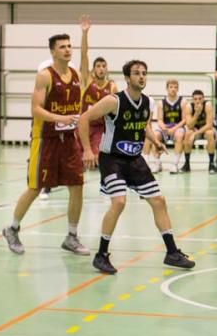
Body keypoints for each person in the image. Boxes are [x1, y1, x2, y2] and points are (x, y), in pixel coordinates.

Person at [78, 60, 194, 274]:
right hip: (112, 159)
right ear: (127, 78)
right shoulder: (113, 101)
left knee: (159, 201)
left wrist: (155, 140)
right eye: (136, 73)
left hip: (135, 159)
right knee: (119, 202)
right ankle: (101, 255)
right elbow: (83, 118)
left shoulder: (148, 102)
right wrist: (86, 149)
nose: (141, 76)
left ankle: (171, 253)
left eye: (144, 73)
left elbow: (145, 126)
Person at [2, 31, 89, 256]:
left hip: (69, 140)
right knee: (35, 187)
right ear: (53, 51)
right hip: (46, 140)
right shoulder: (45, 76)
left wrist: (84, 35)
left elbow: (85, 64)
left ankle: (71, 236)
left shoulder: (76, 74)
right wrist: (60, 118)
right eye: (62, 47)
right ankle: (12, 229)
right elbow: (36, 109)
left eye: (70, 46)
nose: (68, 49)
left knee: (77, 187)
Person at [79, 16, 117, 158]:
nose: (101, 69)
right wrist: (84, 33)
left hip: (100, 128)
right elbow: (84, 55)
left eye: (103, 66)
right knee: (78, 160)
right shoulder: (87, 81)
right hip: (84, 125)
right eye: (98, 66)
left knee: (97, 158)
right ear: (93, 69)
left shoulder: (112, 86)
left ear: (107, 69)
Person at [147, 79, 186, 173]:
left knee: (179, 135)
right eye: (171, 87)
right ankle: (157, 164)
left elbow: (184, 120)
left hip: (177, 127)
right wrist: (163, 127)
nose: (173, 89)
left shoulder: (182, 101)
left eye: (175, 87)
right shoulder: (161, 103)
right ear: (167, 88)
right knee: (154, 135)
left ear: (178, 89)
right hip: (165, 127)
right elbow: (159, 119)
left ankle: (174, 164)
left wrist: (174, 128)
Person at [181, 89, 217, 173]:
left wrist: (195, 133)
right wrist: (197, 113)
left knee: (209, 133)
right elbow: (189, 125)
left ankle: (211, 164)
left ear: (203, 99)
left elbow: (209, 125)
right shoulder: (189, 106)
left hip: (206, 129)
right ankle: (187, 164)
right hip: (195, 128)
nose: (198, 101)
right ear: (193, 100)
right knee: (188, 134)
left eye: (200, 99)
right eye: (195, 99)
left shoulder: (208, 105)